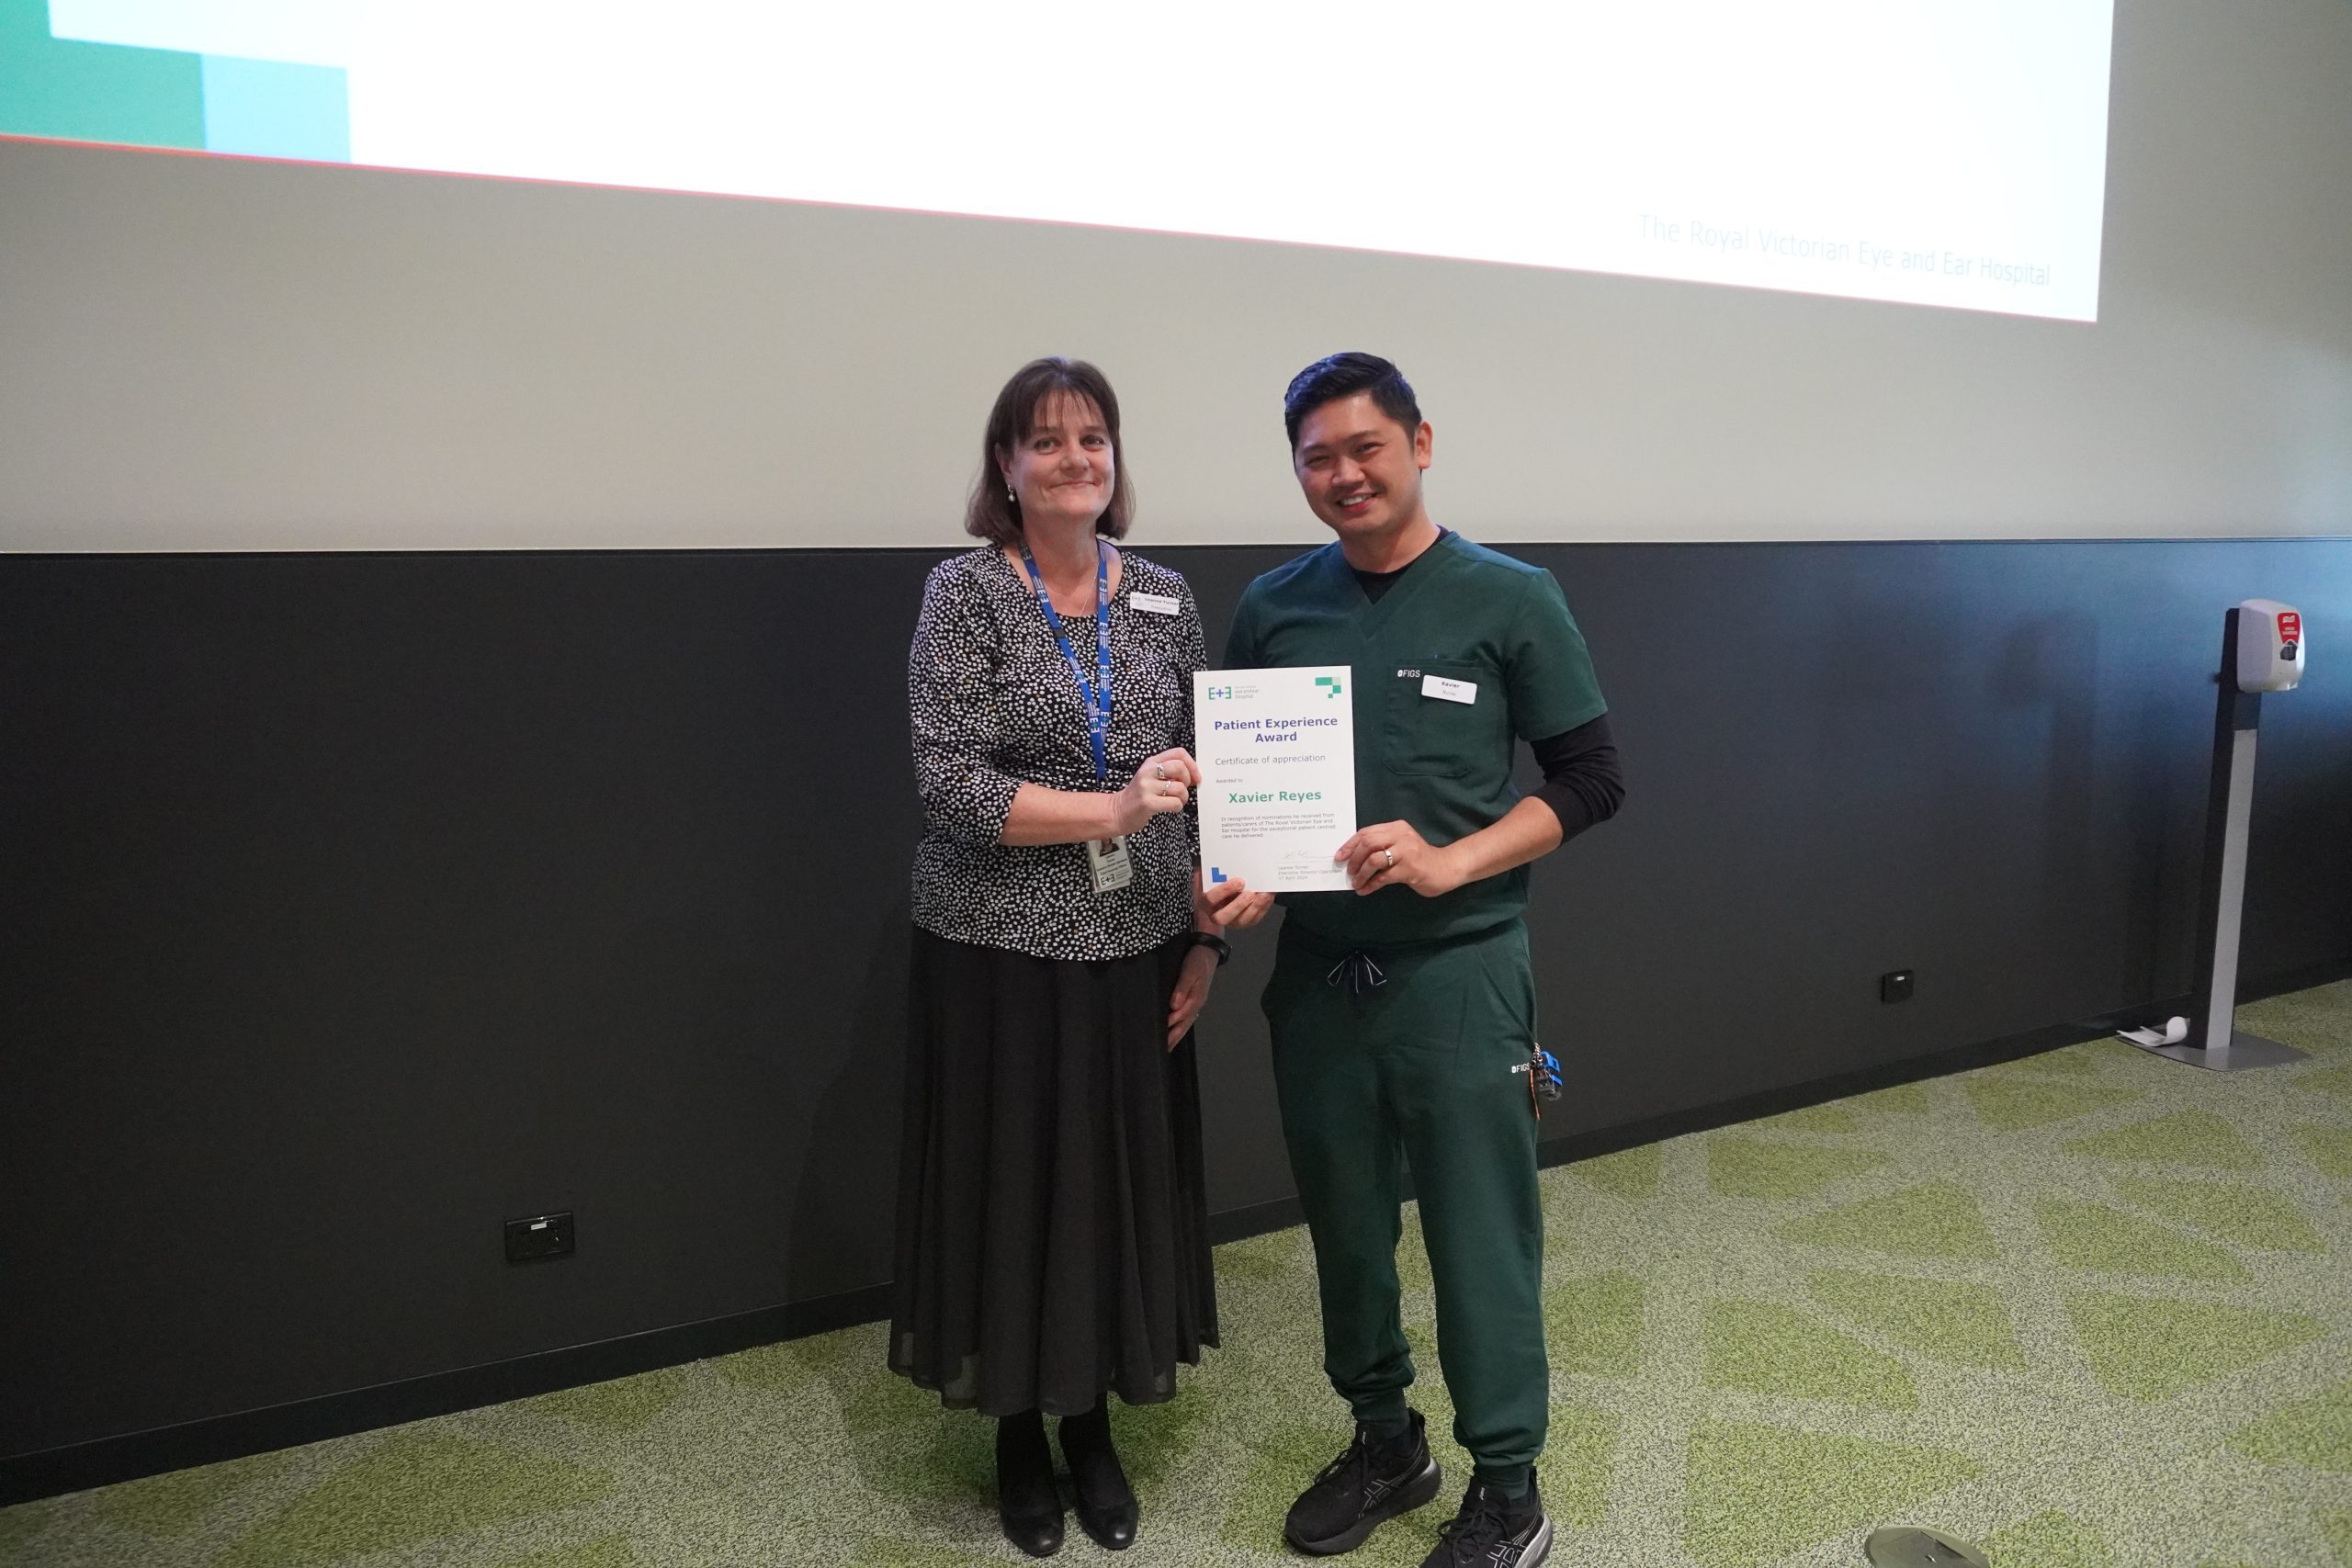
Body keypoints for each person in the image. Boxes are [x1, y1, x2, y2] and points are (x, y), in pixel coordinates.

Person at [1221, 354, 1623, 1568]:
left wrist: (1457, 859)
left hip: (1461, 975)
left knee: (1477, 1237)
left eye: (1365, 448)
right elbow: (1250, 789)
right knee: (1346, 1229)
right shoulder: (1276, 605)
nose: (1343, 475)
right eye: (1316, 458)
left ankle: (1509, 1488)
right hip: (1321, 976)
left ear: (1421, 443)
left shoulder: (1511, 597)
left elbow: (1593, 780)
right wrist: (1232, 867)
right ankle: (1387, 1441)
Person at [890, 356, 1270, 1558]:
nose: (1076, 462)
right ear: (1004, 467)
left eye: (1094, 439)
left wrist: (1209, 931)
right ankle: (1015, 1429)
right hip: (997, 954)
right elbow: (949, 788)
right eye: (1046, 442)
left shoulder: (1160, 594)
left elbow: (1208, 773)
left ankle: (1091, 1421)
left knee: (1111, 1189)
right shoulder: (964, 595)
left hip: (1138, 949)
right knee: (1013, 1188)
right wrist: (1113, 812)